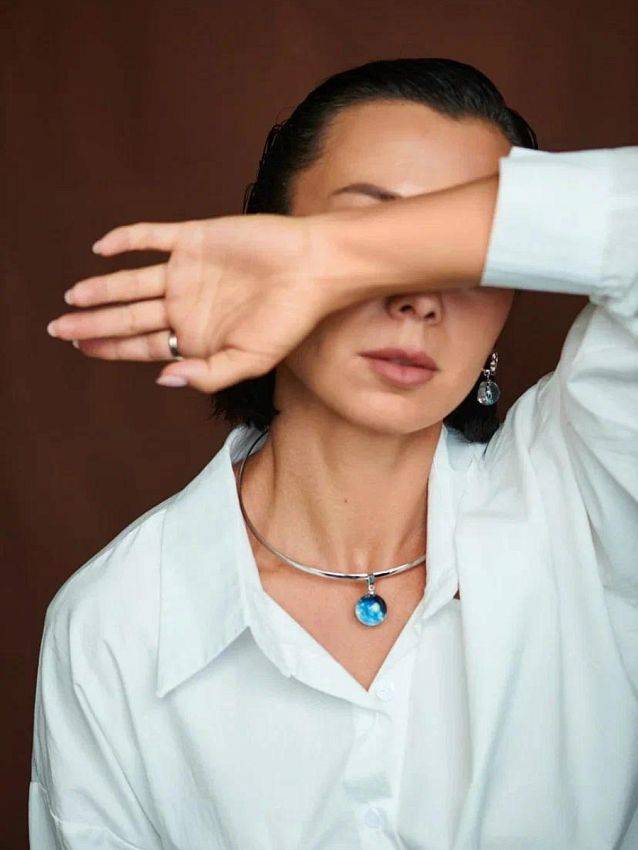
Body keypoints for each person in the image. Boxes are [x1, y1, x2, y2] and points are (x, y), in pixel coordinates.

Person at [33, 58, 638, 850]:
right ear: (267, 246)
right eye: (366, 227)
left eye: (464, 255)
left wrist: (344, 252)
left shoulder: (586, 498)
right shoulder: (113, 623)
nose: (418, 297)